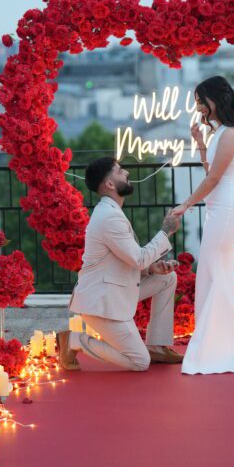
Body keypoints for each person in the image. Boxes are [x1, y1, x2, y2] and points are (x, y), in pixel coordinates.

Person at [171, 76, 234, 375]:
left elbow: (215, 179)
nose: (199, 106)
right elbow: (211, 171)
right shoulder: (222, 133)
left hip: (226, 207)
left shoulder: (231, 134)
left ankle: (216, 347)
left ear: (217, 99)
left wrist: (186, 204)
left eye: (202, 100)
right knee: (218, 273)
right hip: (219, 207)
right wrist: (201, 145)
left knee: (214, 273)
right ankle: (225, 343)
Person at [57, 157, 183, 372]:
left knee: (166, 278)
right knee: (139, 362)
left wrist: (151, 269)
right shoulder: (109, 217)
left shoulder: (112, 212)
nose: (126, 173)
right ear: (109, 184)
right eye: (119, 171)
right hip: (102, 302)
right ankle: (74, 341)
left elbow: (129, 258)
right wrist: (165, 231)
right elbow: (138, 258)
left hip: (116, 290)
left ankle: (156, 346)